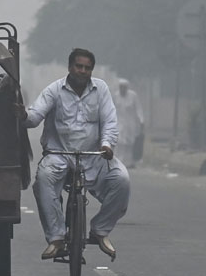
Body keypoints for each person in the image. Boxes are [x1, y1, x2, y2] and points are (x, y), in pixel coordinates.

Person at [14, 48, 130, 261]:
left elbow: (110, 122)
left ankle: (100, 230)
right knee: (43, 180)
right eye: (79, 66)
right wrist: (24, 115)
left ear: (91, 70)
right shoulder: (54, 90)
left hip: (94, 154)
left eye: (87, 68)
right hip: (59, 154)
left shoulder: (101, 89)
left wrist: (107, 145)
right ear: (70, 67)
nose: (82, 71)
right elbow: (34, 117)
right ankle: (56, 237)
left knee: (121, 179)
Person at [114, 79, 144, 168]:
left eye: (124, 88)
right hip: (119, 123)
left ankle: (129, 162)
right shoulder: (116, 96)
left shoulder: (133, 96)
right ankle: (119, 161)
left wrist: (141, 121)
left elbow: (138, 109)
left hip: (130, 123)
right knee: (119, 143)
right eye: (121, 87)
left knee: (130, 144)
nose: (122, 89)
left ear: (127, 88)